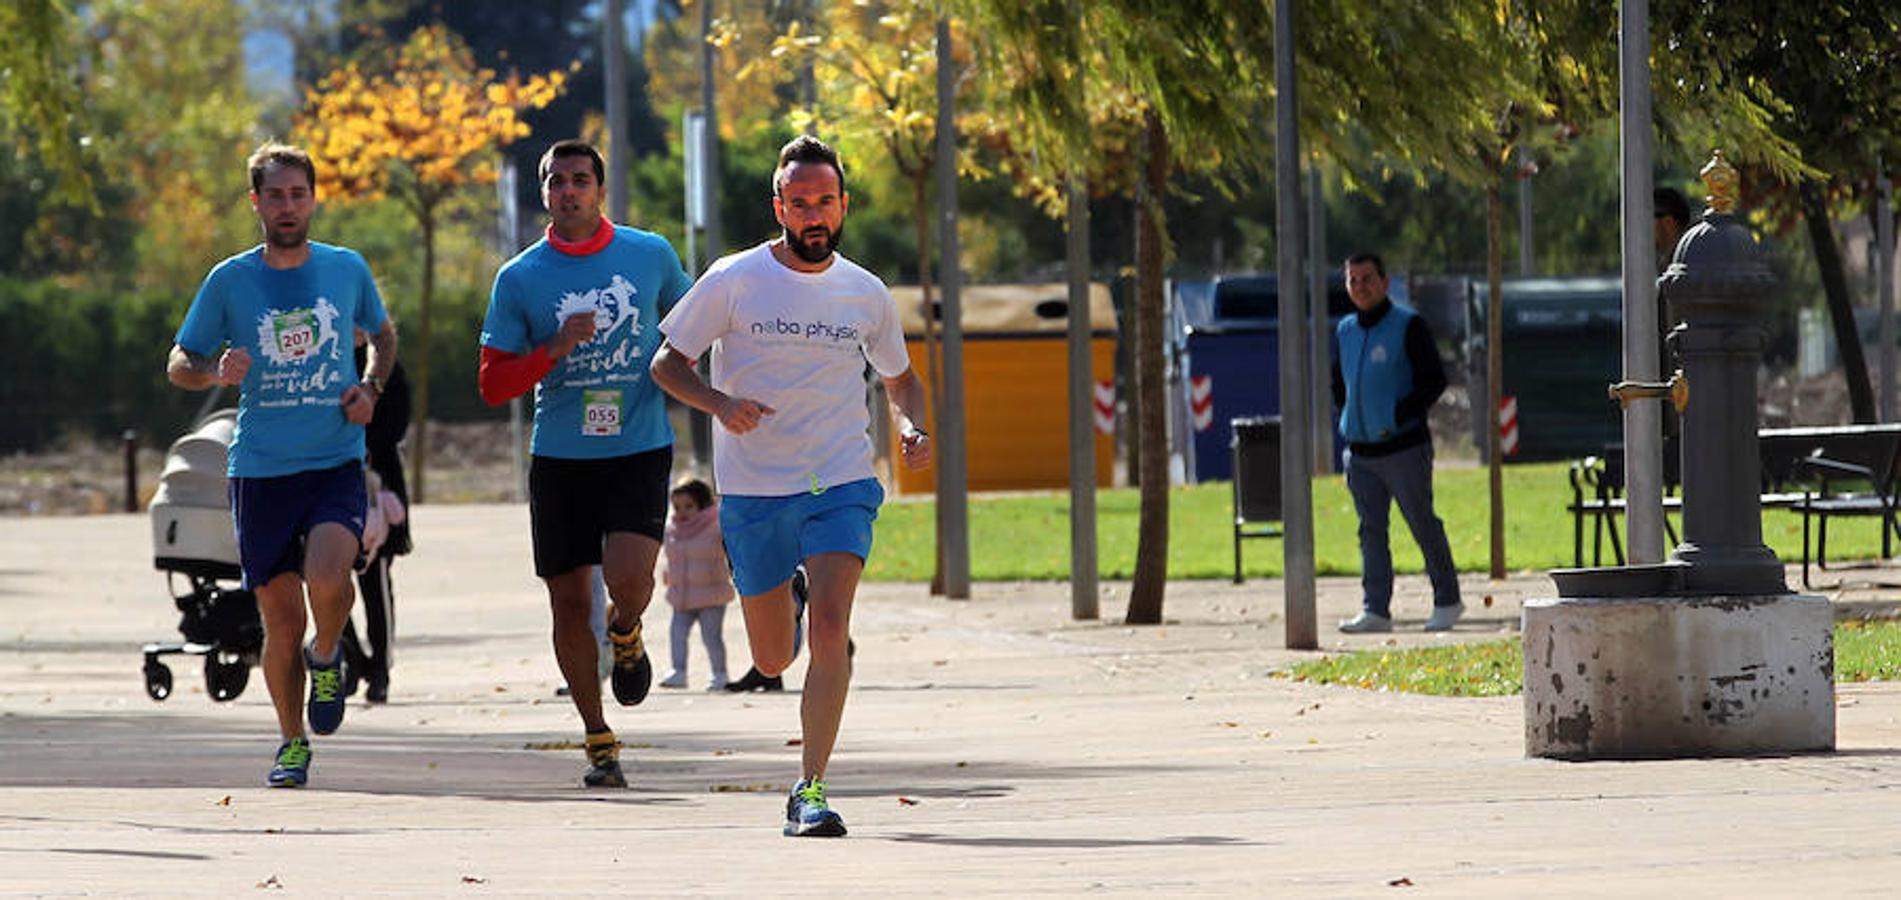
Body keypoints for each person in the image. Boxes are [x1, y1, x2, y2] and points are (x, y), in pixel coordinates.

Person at [651, 134, 931, 837]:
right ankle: (790, 597)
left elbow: (901, 380)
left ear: (843, 206)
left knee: (834, 629)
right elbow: (667, 362)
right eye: (799, 202)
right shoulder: (734, 278)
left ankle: (810, 788)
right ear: (779, 205)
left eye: (825, 202)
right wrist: (719, 404)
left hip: (839, 479)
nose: (813, 214)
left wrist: (911, 427)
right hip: (753, 491)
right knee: (773, 657)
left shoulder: (864, 292)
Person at [166, 142, 397, 787]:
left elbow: (382, 334)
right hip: (261, 469)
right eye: (276, 195)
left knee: (329, 575)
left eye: (298, 194)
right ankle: (291, 742)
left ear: (314, 199)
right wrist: (216, 369)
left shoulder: (346, 268)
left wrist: (370, 389)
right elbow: (179, 362)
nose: (288, 206)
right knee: (279, 617)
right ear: (256, 203)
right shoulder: (230, 280)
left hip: (332, 459)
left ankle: (328, 653)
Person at [478, 139, 693, 788]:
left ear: (600, 189)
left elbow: (694, 325)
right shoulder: (520, 277)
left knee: (630, 579)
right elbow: (493, 385)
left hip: (636, 444)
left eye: (580, 180)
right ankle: (598, 737)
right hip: (560, 457)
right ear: (542, 194)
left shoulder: (649, 255)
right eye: (556, 181)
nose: (568, 191)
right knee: (568, 605)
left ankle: (625, 630)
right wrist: (554, 346)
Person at [1332, 252, 1462, 634]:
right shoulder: (1345, 330)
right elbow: (1339, 383)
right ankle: (1375, 609)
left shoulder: (1408, 325)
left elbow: (1433, 380)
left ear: (1385, 282)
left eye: (1368, 278)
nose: (1361, 287)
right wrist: (1350, 416)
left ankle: (1448, 600)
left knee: (1422, 523)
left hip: (1404, 449)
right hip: (1360, 453)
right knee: (1370, 531)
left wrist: (1395, 416)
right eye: (1353, 280)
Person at [339, 331, 411, 704]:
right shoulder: (325, 358)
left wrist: (363, 445)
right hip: (329, 477)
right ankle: (351, 659)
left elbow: (398, 418)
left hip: (375, 481)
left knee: (375, 580)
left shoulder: (382, 363)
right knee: (327, 580)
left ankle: (380, 668)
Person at [657, 477, 733, 691]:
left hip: (711, 594)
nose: (682, 512)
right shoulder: (672, 530)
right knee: (677, 634)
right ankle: (678, 671)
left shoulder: (716, 526)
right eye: (677, 507)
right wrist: (668, 574)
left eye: (689, 506)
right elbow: (671, 558)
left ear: (703, 503)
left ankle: (719, 674)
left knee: (711, 637)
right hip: (681, 594)